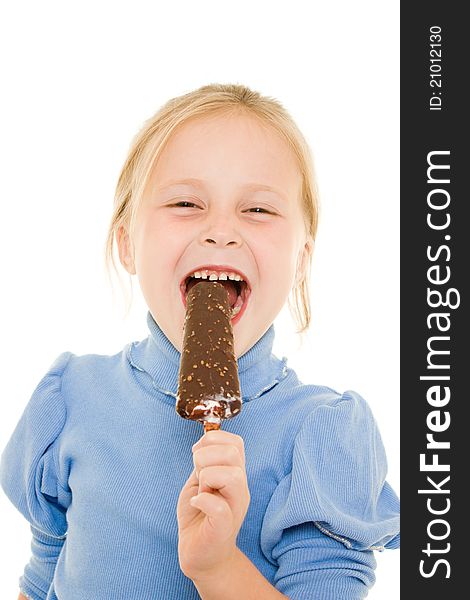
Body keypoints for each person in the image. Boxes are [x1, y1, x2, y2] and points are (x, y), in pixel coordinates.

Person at [0, 83, 399, 600]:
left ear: (301, 258)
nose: (220, 231)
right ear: (127, 243)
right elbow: (43, 576)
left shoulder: (321, 437)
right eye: (186, 202)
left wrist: (219, 568)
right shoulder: (69, 398)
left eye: (258, 210)